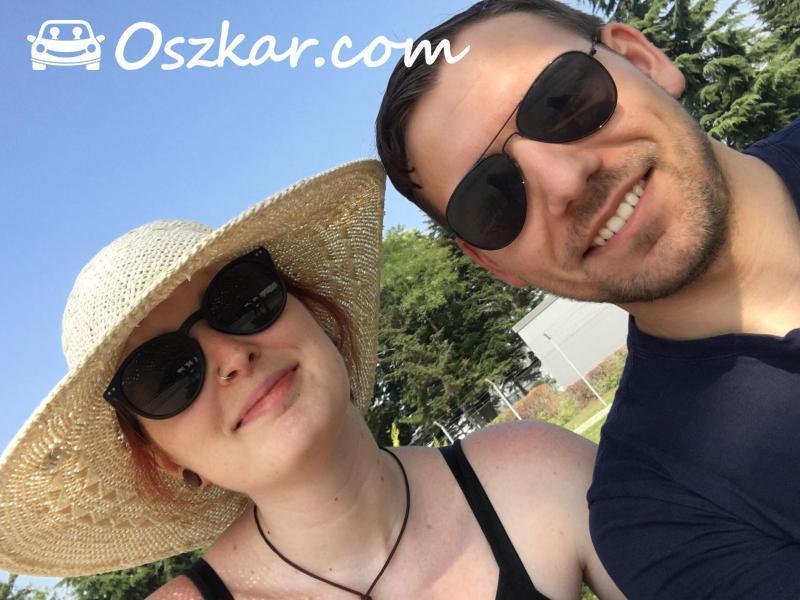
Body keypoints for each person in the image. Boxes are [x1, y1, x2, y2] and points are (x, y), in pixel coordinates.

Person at [0, 160, 622, 599]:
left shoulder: (537, 474)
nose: (231, 356)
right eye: (164, 374)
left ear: (315, 314)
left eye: (242, 298)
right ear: (164, 457)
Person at [375, 0, 800, 597]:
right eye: (493, 200)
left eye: (563, 100)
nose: (564, 182)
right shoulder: (661, 514)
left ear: (643, 60)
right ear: (494, 263)